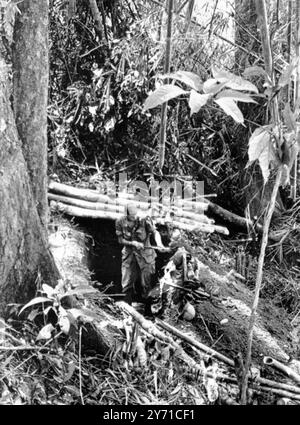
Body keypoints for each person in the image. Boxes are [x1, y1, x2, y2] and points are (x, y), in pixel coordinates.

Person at [115, 202, 165, 307]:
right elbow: (120, 240)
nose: (134, 218)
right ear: (126, 215)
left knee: (146, 282)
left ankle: (147, 309)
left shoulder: (144, 220)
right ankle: (127, 307)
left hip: (146, 255)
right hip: (129, 254)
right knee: (126, 281)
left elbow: (155, 232)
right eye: (131, 216)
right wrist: (132, 243)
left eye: (135, 215)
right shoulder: (120, 222)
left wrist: (159, 244)